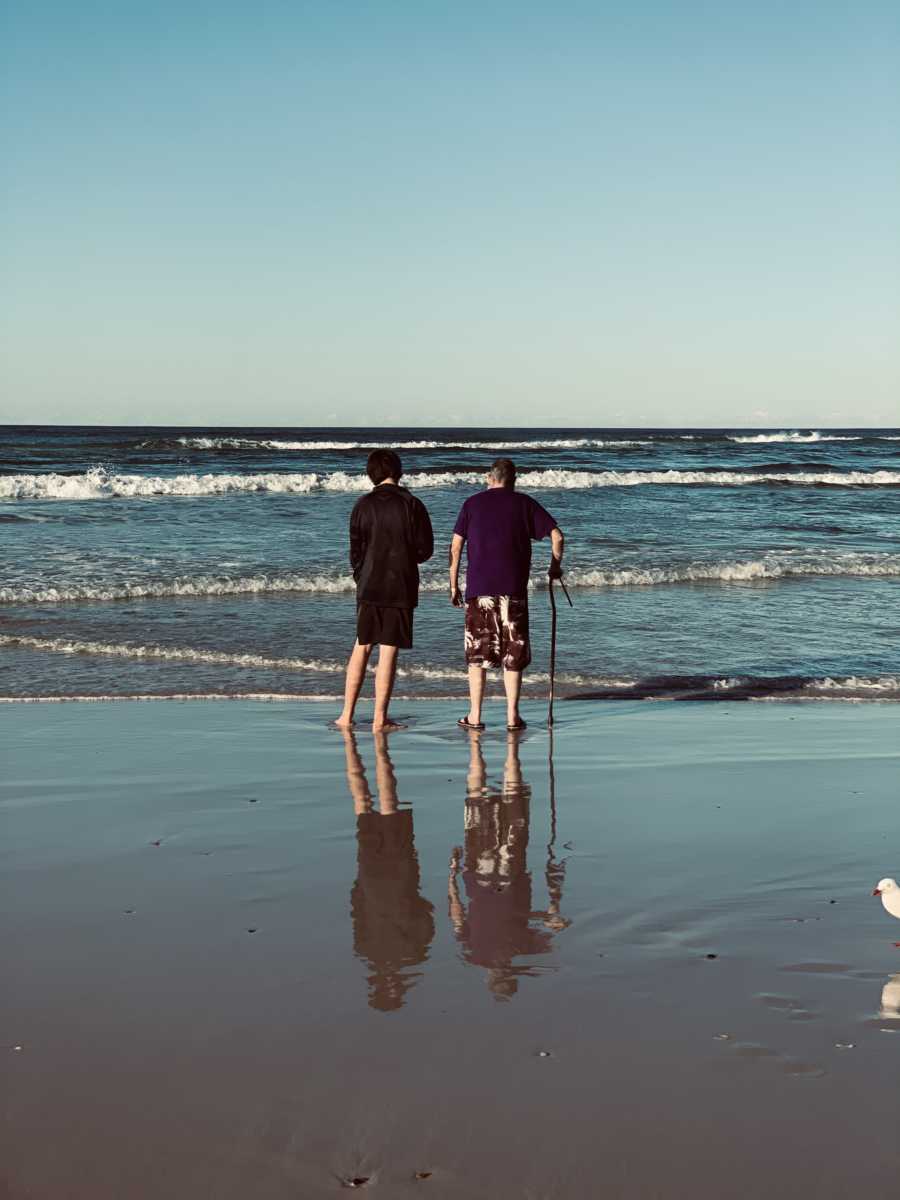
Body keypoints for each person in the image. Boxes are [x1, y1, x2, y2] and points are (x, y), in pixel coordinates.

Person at [447, 730, 570, 1000]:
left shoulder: (477, 954)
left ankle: (487, 743)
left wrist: (452, 878)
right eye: (504, 974)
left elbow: (457, 917)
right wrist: (553, 914)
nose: (500, 968)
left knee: (481, 799)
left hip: (483, 873)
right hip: (504, 873)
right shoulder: (518, 949)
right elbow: (540, 921)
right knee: (501, 801)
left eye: (498, 975)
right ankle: (504, 745)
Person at [448, 458, 564, 731]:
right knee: (513, 655)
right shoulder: (524, 504)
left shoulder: (472, 504)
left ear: (489, 478)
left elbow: (455, 548)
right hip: (514, 591)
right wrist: (554, 568)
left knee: (479, 656)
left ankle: (475, 716)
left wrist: (453, 585)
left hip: (480, 591)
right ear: (513, 480)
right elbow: (557, 536)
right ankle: (512, 716)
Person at [336, 449, 434, 732]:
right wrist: (405, 557)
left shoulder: (362, 504)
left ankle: (346, 714)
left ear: (371, 474)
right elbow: (425, 550)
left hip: (368, 582)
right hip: (400, 583)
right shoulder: (412, 504)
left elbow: (355, 550)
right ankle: (380, 717)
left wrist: (361, 574)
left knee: (362, 646)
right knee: (388, 650)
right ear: (398, 472)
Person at [343, 729, 435, 1011]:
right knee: (367, 808)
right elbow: (356, 908)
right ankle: (368, 751)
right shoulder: (367, 950)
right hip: (379, 879)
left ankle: (372, 750)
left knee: (383, 806)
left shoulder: (412, 955)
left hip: (393, 880)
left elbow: (426, 918)